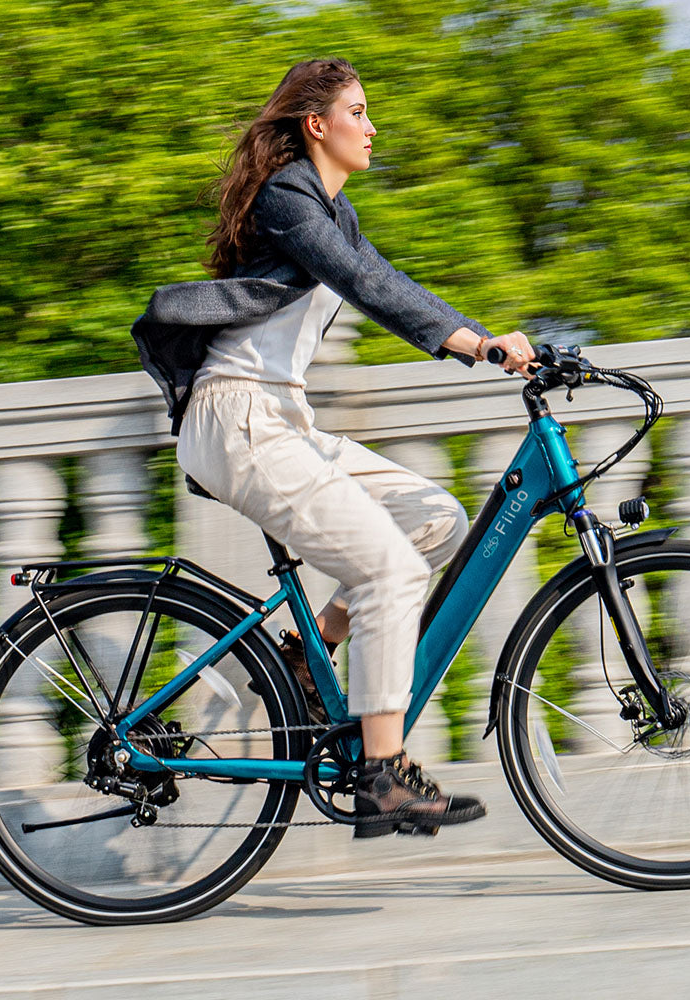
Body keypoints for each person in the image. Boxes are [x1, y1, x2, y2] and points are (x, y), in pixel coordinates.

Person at [132, 58, 533, 839]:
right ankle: (381, 773)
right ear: (317, 125)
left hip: (283, 420)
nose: (373, 125)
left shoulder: (332, 212)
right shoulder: (289, 196)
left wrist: (482, 337)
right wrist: (478, 347)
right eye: (358, 111)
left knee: (437, 521)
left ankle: (293, 652)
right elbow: (362, 284)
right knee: (386, 567)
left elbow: (382, 273)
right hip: (238, 417)